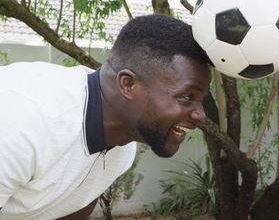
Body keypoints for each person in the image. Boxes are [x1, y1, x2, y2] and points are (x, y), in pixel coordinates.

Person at [0, 14, 211, 220]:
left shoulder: (121, 151)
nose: (200, 115)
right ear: (128, 84)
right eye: (186, 96)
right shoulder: (22, 120)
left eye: (200, 99)